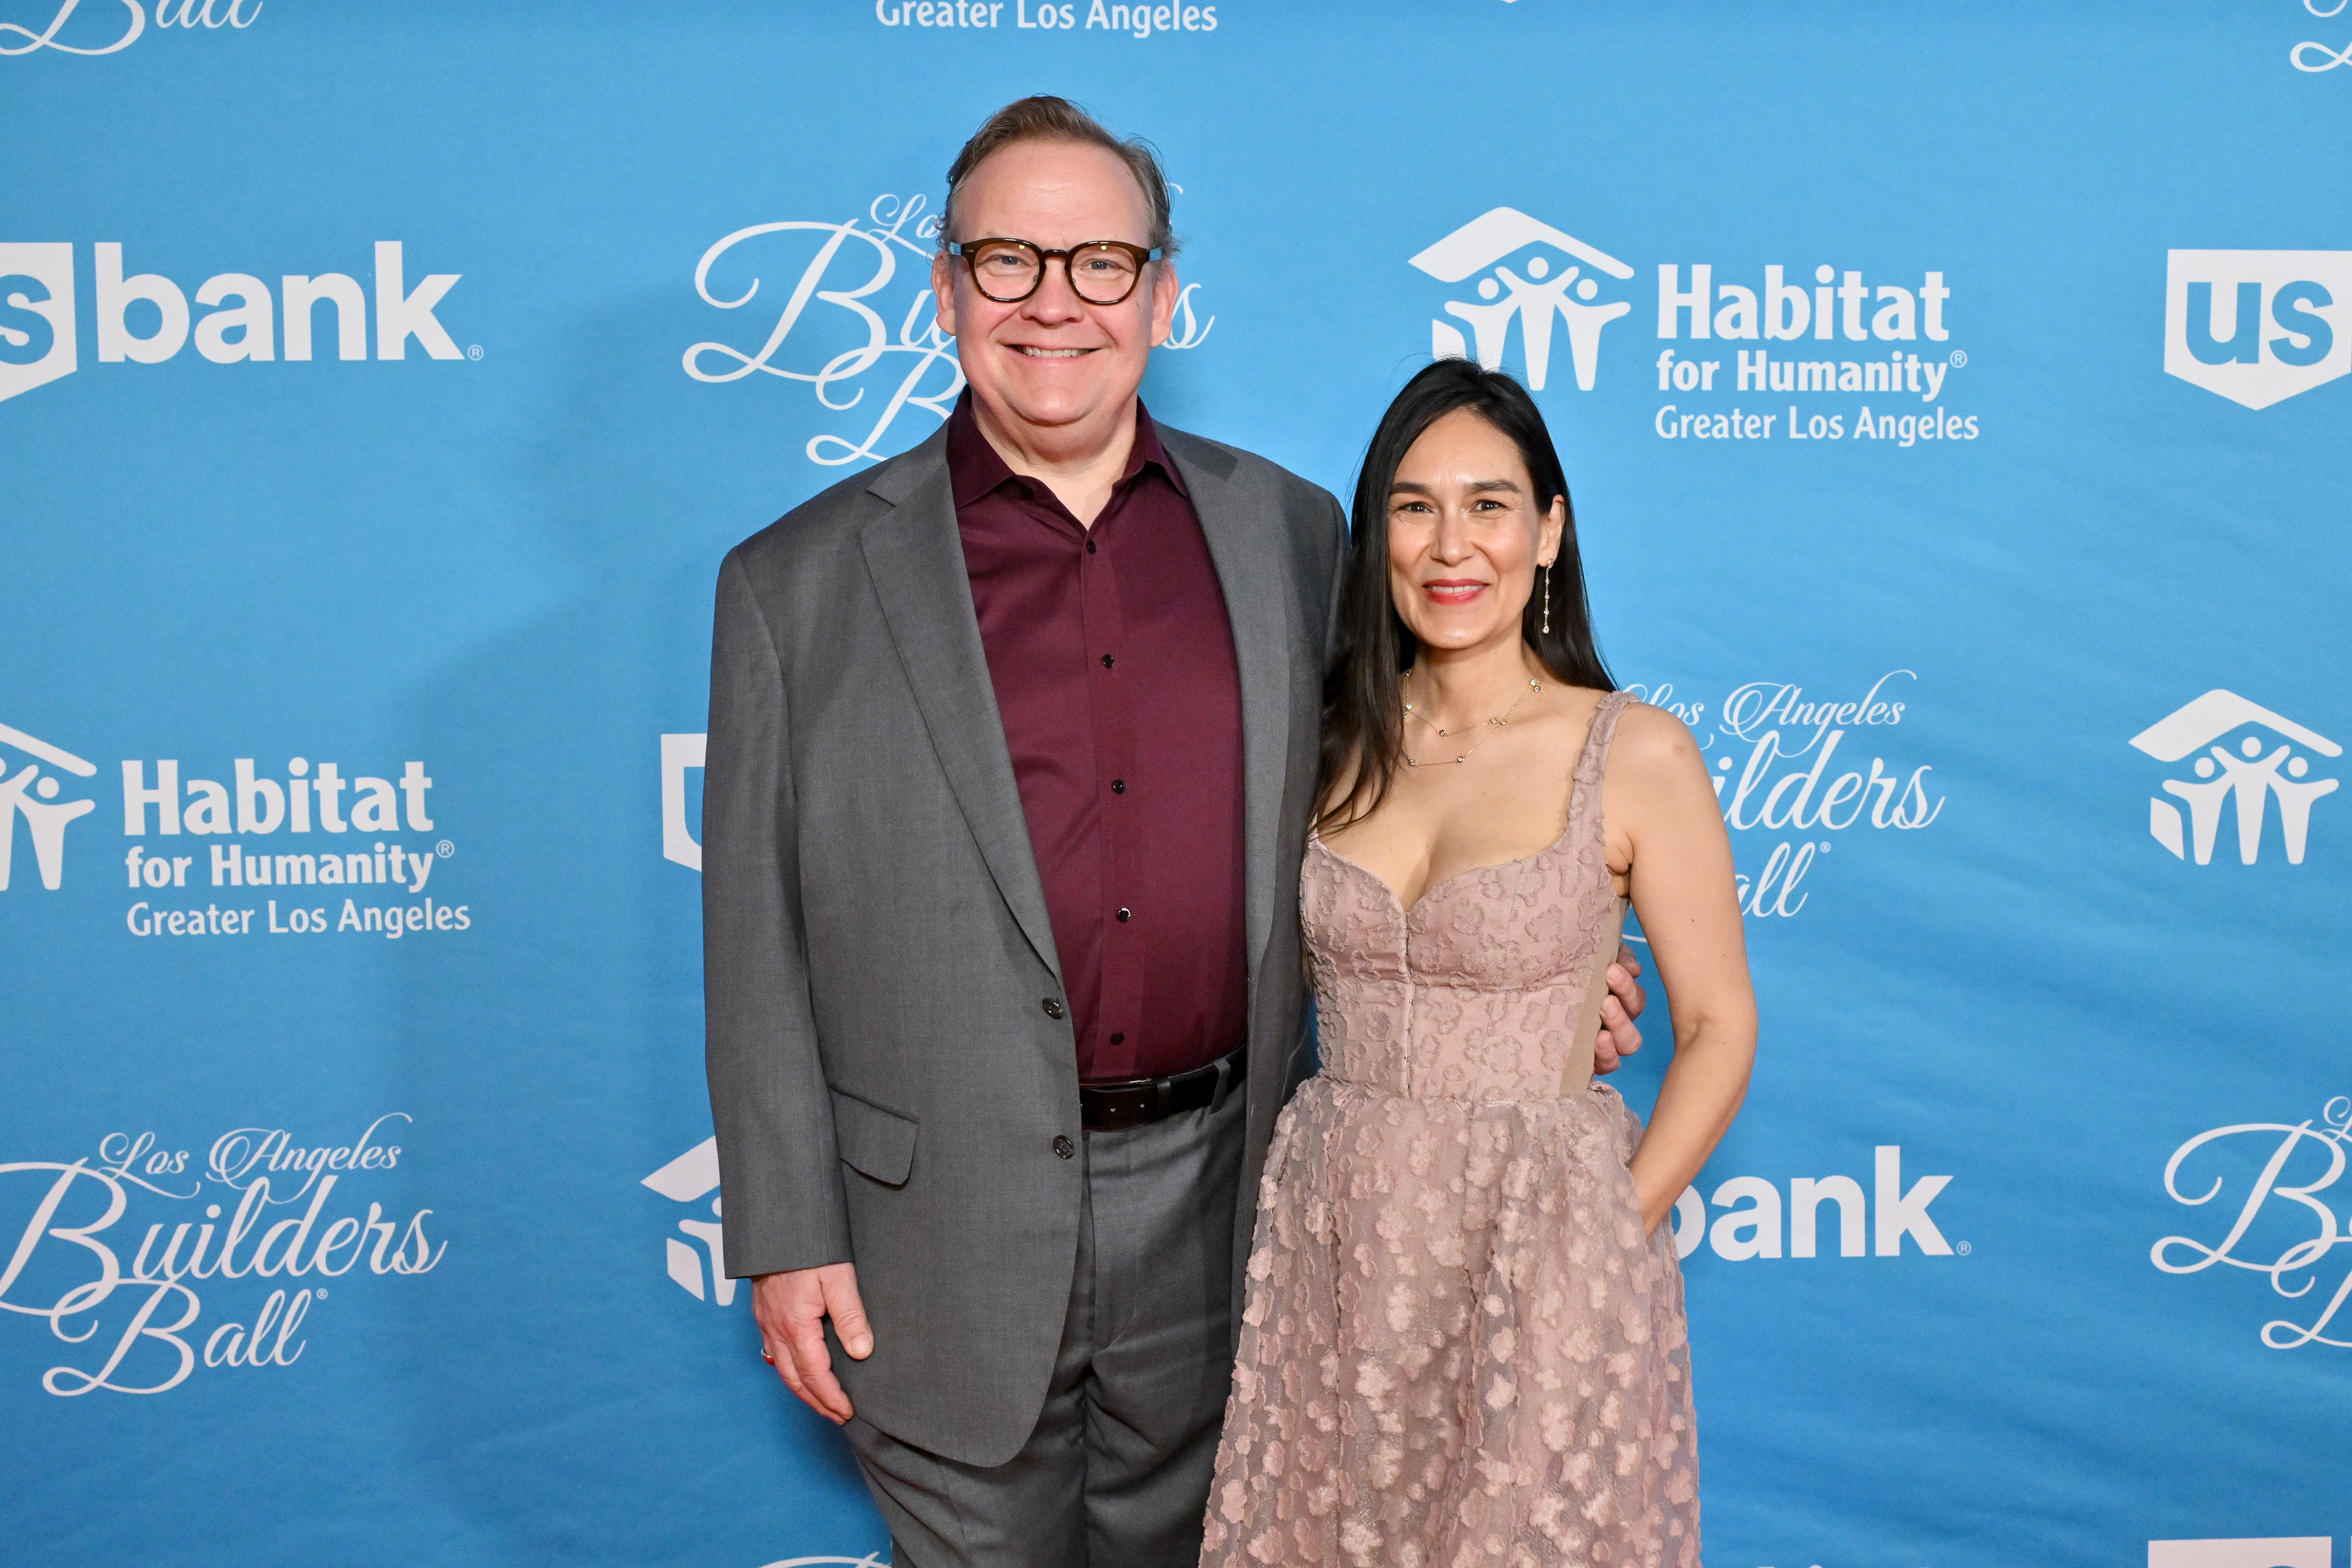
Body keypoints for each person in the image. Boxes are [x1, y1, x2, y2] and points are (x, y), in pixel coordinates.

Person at [701, 97, 1647, 1568]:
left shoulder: (1286, 534)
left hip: (1236, 1204)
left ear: (1163, 293)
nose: (1054, 303)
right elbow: (751, 934)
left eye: (1101, 262)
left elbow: (1404, 804)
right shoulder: (796, 584)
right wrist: (782, 1228)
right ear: (945, 289)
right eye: (1008, 260)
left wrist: (1526, 975)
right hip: (931, 1234)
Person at [1201, 358, 1757, 1567]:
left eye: (1490, 503)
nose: (1453, 544)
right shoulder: (1329, 742)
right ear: (1378, 538)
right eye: (1413, 505)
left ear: (1549, 530)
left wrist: (1611, 1227)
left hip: (1542, 1247)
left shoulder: (1634, 751)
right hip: (1337, 1239)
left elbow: (1719, 1026)